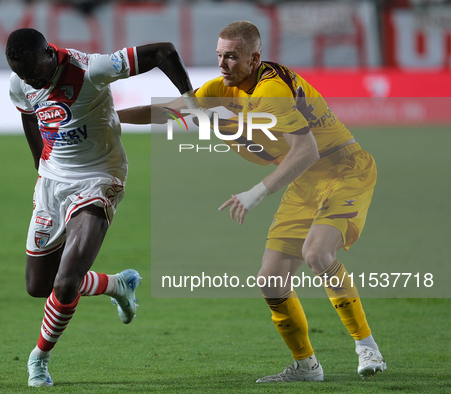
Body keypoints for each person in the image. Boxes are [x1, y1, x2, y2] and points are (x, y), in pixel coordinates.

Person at [117, 20, 386, 382]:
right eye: (219, 56)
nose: (222, 64)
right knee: (271, 280)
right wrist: (108, 121)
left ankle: (367, 348)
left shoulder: (271, 90)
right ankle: (307, 367)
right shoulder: (224, 89)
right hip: (303, 182)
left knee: (317, 253)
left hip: (343, 169)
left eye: (231, 57)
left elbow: (307, 149)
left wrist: (256, 192)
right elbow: (171, 110)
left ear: (254, 58)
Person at [5, 28, 199, 387]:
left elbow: (164, 52)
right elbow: (28, 115)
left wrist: (190, 99)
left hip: (99, 178)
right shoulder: (21, 81)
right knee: (39, 286)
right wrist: (40, 164)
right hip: (52, 183)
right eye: (24, 75)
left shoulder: (92, 69)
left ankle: (39, 359)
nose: (31, 80)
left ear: (49, 52)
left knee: (65, 283)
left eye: (34, 71)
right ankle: (117, 285)